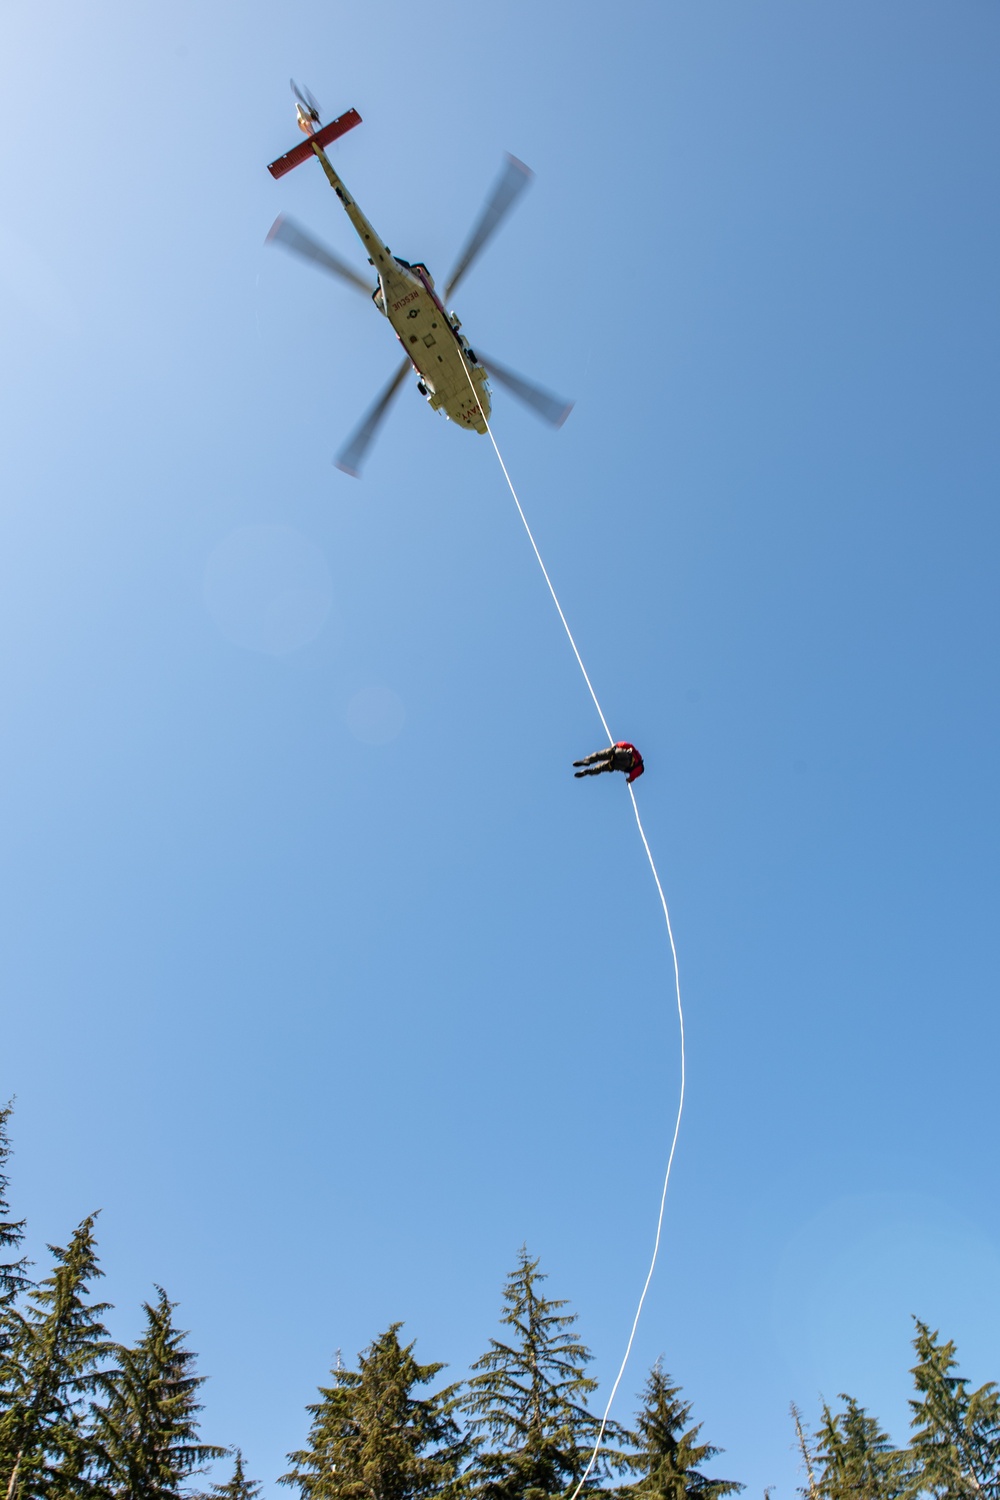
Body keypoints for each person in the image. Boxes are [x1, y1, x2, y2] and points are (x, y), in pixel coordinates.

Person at [573, 742, 644, 782]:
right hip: (621, 764)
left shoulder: (638, 756)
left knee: (600, 755)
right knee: (601, 768)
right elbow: (634, 774)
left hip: (621, 754)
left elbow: (629, 745)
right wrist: (630, 779)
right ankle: (588, 772)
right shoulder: (640, 768)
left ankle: (587, 760)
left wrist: (617, 745)